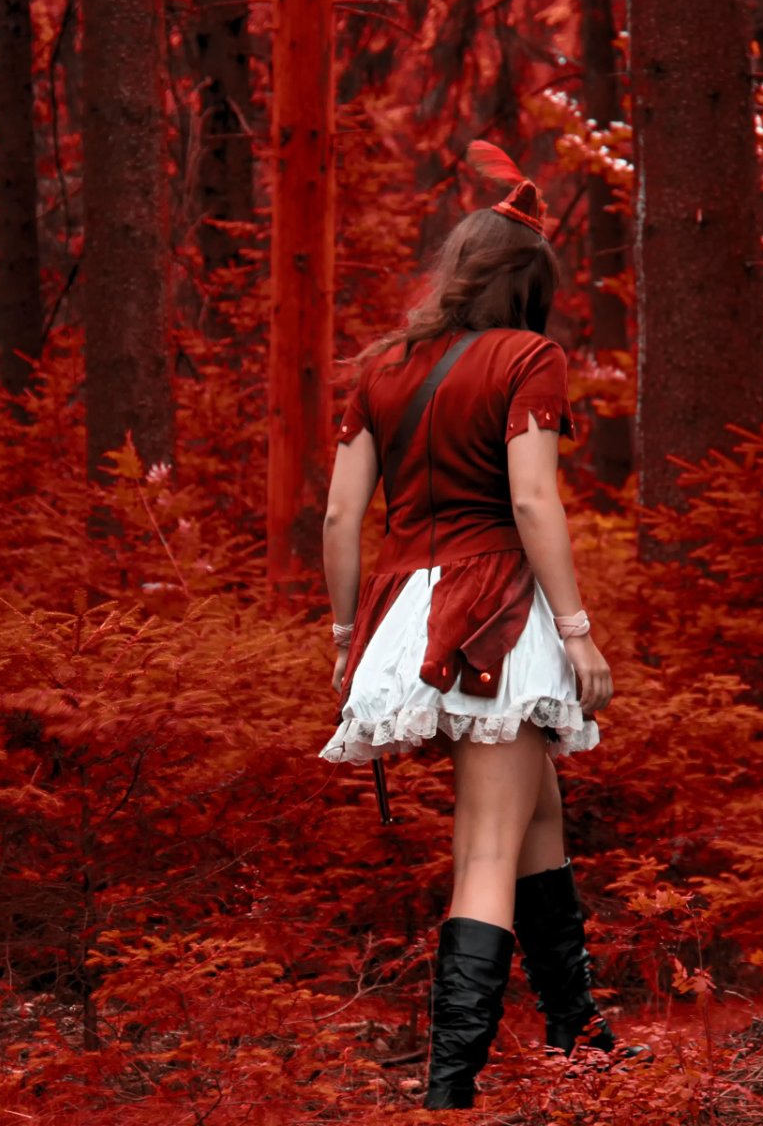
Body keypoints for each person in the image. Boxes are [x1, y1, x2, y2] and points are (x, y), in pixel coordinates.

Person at [317, 143, 635, 1110]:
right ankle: (448, 1091)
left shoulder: (380, 367)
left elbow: (339, 518)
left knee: (538, 827)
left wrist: (343, 638)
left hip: (408, 610)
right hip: (494, 612)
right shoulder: (528, 357)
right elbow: (533, 503)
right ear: (527, 287)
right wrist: (576, 630)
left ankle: (586, 1047)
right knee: (490, 847)